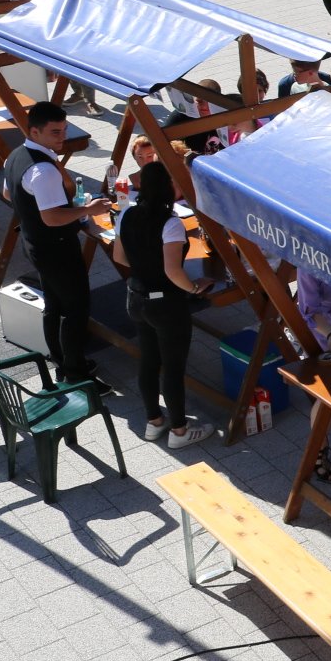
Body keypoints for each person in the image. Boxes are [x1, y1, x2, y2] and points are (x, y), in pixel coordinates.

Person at [2, 101, 110, 385]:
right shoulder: (44, 169)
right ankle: (74, 373)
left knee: (54, 304)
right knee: (75, 309)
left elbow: (7, 194)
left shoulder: (15, 156)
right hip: (56, 246)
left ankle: (60, 358)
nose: (62, 137)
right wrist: (87, 210)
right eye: (54, 132)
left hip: (34, 241)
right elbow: (52, 218)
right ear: (35, 132)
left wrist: (36, 207)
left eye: (63, 130)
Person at [118, 160, 215, 447]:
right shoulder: (170, 224)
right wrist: (195, 286)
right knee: (172, 367)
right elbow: (173, 271)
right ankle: (180, 431)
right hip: (165, 305)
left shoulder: (126, 214)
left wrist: (143, 265)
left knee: (148, 361)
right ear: (168, 188)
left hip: (135, 297)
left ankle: (154, 421)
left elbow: (120, 257)